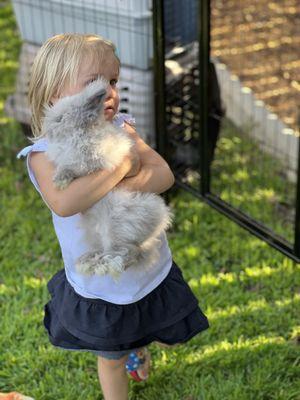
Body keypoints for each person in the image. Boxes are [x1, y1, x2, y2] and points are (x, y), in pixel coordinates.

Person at [16, 34, 209, 400]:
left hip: (147, 268)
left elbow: (164, 175)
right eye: (93, 82)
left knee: (151, 323)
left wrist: (114, 179)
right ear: (54, 93)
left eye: (113, 81)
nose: (109, 92)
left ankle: (139, 345)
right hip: (101, 285)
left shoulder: (122, 127)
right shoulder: (43, 155)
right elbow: (66, 202)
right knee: (110, 358)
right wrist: (124, 166)